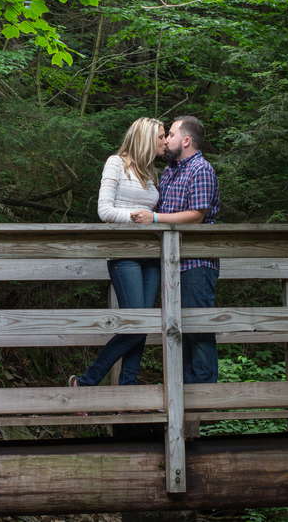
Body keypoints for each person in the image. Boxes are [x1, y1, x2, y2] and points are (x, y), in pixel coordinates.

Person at [69, 117, 166, 389]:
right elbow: (104, 211)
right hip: (124, 253)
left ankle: (129, 387)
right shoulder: (116, 163)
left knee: (143, 324)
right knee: (134, 323)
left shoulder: (152, 173)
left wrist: (154, 218)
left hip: (152, 255)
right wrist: (139, 217)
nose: (165, 141)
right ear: (146, 138)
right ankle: (86, 382)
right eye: (160, 136)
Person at [130, 115, 220, 384]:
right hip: (169, 264)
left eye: (170, 134)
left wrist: (155, 219)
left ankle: (203, 398)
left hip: (195, 264)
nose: (166, 139)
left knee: (199, 332)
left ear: (186, 140)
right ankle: (182, 395)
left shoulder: (200, 169)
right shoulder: (169, 172)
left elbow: (197, 215)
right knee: (177, 331)